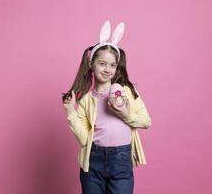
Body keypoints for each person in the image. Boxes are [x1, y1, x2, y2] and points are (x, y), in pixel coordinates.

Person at [62, 20, 152, 194]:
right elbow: (83, 140)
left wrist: (126, 114)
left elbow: (147, 121)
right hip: (93, 160)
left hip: (122, 159)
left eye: (112, 65)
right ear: (91, 65)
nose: (107, 69)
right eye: (102, 63)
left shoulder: (126, 91)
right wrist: (71, 112)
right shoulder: (86, 100)